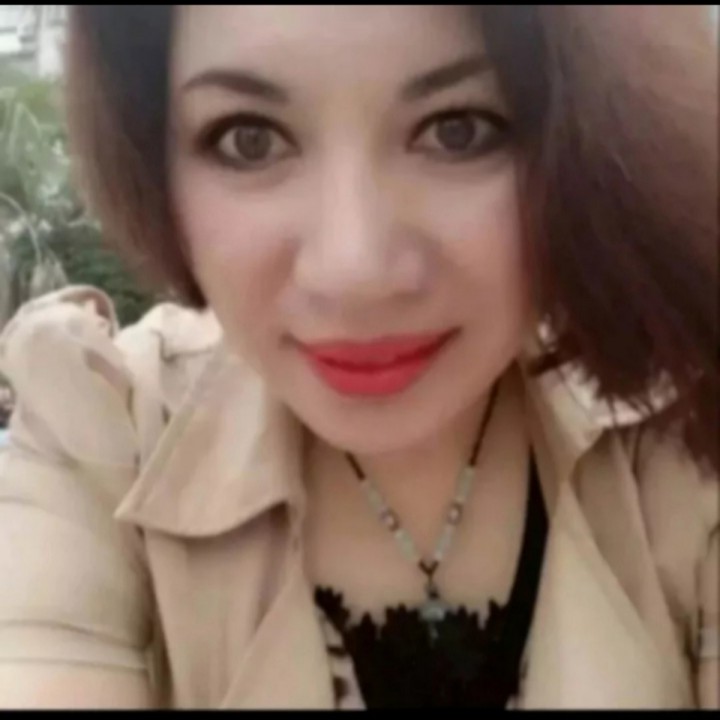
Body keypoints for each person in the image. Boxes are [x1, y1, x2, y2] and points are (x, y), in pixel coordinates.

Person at [0, 5, 716, 710]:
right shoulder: (103, 432)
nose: (354, 271)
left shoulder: (688, 433)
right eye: (250, 139)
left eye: (458, 129)